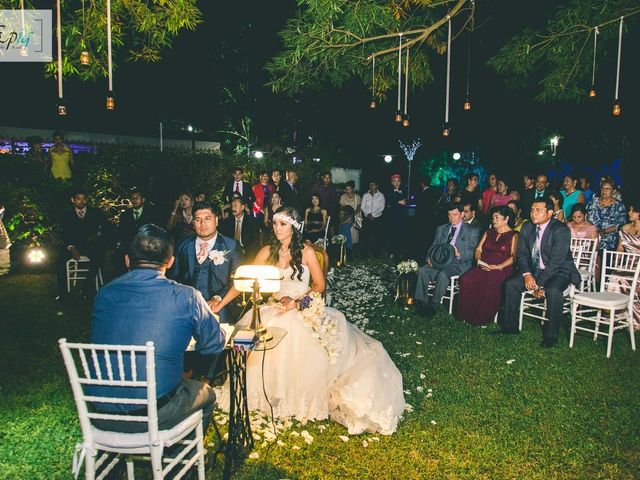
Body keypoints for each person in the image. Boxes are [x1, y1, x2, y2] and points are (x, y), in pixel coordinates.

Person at [211, 207, 405, 434]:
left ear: (293, 227)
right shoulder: (267, 251)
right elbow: (244, 280)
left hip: (300, 306)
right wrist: (221, 303)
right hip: (273, 307)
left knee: (295, 331)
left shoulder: (306, 252)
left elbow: (319, 286)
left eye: (282, 224)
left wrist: (296, 303)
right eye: (275, 224)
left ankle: (297, 394)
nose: (277, 229)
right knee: (261, 330)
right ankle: (267, 393)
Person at [89, 224, 225, 435]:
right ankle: (181, 454)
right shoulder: (186, 296)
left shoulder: (104, 293)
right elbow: (213, 344)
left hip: (100, 412)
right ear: (170, 262)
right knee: (206, 393)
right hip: (152, 413)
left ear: (127, 260)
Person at [498, 197, 581, 347]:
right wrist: (527, 275)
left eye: (538, 210)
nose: (533, 214)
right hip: (534, 270)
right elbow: (522, 254)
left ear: (550, 213)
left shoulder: (561, 230)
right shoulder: (527, 227)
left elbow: (556, 263)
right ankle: (510, 327)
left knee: (554, 291)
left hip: (559, 271)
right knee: (511, 284)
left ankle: (551, 335)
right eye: (531, 210)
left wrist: (539, 285)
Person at [168, 200, 241, 324]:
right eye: (198, 220)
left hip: (219, 309)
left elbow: (238, 280)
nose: (203, 224)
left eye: (207, 218)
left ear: (216, 220)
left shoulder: (231, 245)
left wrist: (218, 299)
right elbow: (174, 278)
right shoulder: (183, 245)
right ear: (193, 223)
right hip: (187, 309)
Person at [414, 202, 481, 317]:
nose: (451, 217)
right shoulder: (441, 228)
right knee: (423, 271)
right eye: (449, 214)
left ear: (462, 214)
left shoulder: (472, 231)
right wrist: (429, 258)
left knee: (443, 275)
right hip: (439, 261)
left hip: (458, 263)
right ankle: (422, 303)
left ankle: (433, 305)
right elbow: (433, 246)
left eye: (454, 214)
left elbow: (472, 252)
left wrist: (458, 253)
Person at [457, 206, 518, 326]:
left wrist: (499, 266)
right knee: (466, 279)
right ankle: (465, 314)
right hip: (484, 264)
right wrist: (479, 261)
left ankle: (481, 317)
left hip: (502, 267)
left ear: (506, 219)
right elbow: (478, 249)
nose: (493, 220)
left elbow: (513, 257)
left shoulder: (514, 235)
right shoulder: (488, 232)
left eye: (497, 217)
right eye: (493, 217)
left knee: (490, 282)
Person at [56, 189, 111, 300]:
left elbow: (107, 229)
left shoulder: (96, 213)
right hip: (72, 245)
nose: (81, 201)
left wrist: (98, 234)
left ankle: (87, 290)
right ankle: (62, 293)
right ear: (73, 200)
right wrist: (71, 247)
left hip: (90, 245)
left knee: (97, 258)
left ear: (87, 200)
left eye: (83, 199)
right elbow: (63, 234)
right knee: (60, 261)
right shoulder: (66, 215)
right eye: (78, 199)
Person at [115, 188, 162, 273]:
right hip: (128, 245)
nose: (135, 200)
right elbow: (121, 232)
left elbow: (155, 230)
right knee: (118, 256)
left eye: (137, 197)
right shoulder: (125, 215)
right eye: (132, 198)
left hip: (146, 244)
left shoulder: (152, 212)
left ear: (143, 200)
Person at [613, 204, 640, 330]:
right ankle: (617, 314)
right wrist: (617, 264)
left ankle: (634, 318)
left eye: (632, 210)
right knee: (615, 276)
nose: (629, 213)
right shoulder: (625, 227)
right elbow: (620, 248)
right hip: (628, 263)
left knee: (628, 279)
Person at [587, 179, 626, 251]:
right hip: (591, 239)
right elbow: (586, 218)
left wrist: (604, 232)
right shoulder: (593, 202)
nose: (604, 191)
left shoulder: (619, 206)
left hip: (609, 242)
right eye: (602, 188)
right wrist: (594, 232)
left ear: (613, 191)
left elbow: (620, 225)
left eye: (608, 188)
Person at [219, 196, 260, 261]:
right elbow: (223, 239)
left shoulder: (252, 221)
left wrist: (245, 250)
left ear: (242, 207)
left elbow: (256, 241)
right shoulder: (227, 222)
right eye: (232, 206)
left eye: (235, 206)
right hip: (230, 252)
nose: (233, 208)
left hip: (247, 252)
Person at [414, 175, 441, 255]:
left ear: (422, 183)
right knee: (428, 236)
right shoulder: (434, 192)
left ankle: (422, 251)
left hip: (422, 217)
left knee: (422, 235)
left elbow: (418, 206)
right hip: (430, 217)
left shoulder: (421, 193)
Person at [360, 181, 385, 257]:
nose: (371, 186)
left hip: (377, 219)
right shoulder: (365, 195)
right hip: (367, 218)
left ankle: (377, 253)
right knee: (365, 236)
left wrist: (373, 215)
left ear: (377, 186)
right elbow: (362, 207)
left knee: (377, 236)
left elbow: (382, 207)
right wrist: (368, 214)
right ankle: (364, 253)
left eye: (373, 185)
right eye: (370, 185)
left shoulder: (381, 195)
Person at [386, 173, 408, 259]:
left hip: (402, 217)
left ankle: (399, 252)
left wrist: (405, 201)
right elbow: (388, 203)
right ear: (392, 182)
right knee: (392, 234)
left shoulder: (404, 191)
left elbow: (407, 201)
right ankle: (392, 251)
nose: (396, 183)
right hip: (392, 217)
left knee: (401, 234)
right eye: (394, 181)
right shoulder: (389, 192)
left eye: (398, 181)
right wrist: (398, 202)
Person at [339, 180, 362, 247]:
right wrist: (347, 215)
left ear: (352, 188)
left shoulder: (357, 197)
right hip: (346, 218)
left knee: (354, 234)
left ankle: (352, 248)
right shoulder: (343, 197)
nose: (347, 190)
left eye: (349, 189)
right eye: (346, 189)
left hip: (354, 217)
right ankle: (346, 247)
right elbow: (341, 207)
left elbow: (358, 207)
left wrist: (352, 215)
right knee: (346, 232)